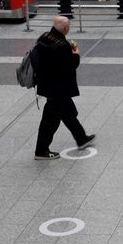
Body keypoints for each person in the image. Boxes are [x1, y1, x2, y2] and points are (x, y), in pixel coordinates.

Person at [32, 16, 95, 158]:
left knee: (68, 113)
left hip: (47, 84)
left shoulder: (44, 37)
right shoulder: (62, 45)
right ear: (66, 28)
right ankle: (41, 151)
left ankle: (81, 138)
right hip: (58, 88)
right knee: (50, 121)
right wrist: (76, 54)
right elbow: (69, 66)